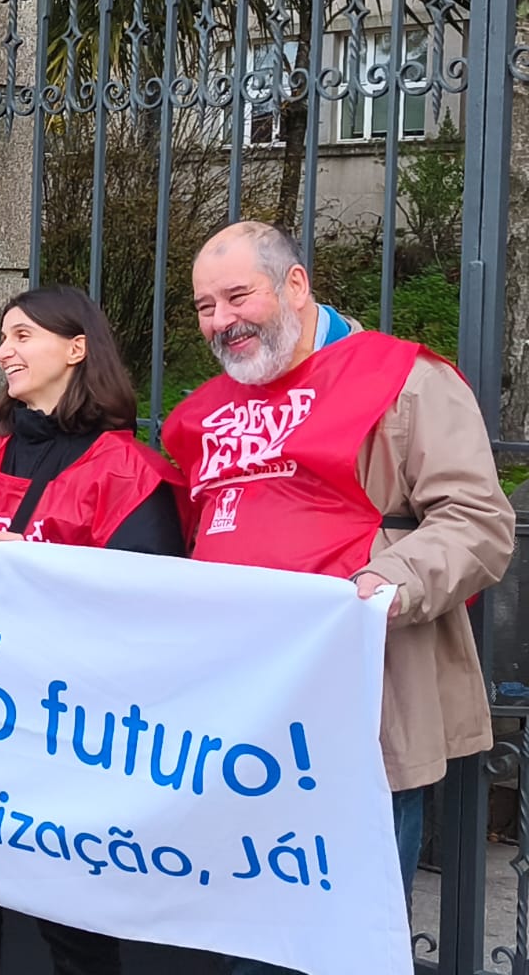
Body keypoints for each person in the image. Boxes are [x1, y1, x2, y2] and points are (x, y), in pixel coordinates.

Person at [159, 221, 515, 975]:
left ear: (294, 285)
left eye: (237, 296)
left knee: (340, 940)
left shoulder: (405, 381)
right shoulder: (201, 415)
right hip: (237, 718)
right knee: (246, 939)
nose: (221, 321)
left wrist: (390, 583)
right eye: (204, 307)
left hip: (365, 706)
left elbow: (478, 522)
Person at [0, 285, 187, 975]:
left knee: (71, 916)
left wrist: (38, 568)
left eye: (22, 336)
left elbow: (146, 605)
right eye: (2, 337)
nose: (3, 352)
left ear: (76, 349)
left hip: (68, 728)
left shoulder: (128, 471)